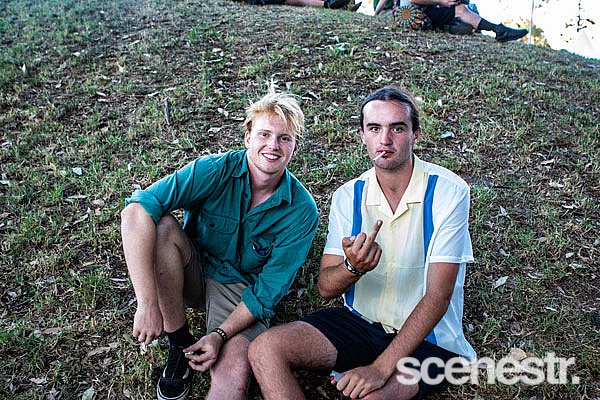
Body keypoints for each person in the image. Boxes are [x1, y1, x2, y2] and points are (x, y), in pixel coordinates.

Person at [249, 86, 476, 399]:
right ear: (362, 136)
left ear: (416, 135)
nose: (385, 140)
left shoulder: (449, 192)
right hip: (360, 323)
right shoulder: (348, 195)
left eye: (398, 128)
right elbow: (326, 288)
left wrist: (380, 369)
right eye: (375, 128)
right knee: (264, 348)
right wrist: (352, 267)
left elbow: (439, 295)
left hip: (432, 341)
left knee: (372, 397)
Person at [121, 90, 319, 400]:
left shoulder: (301, 211)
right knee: (161, 227)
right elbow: (136, 211)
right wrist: (147, 303)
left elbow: (266, 292)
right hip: (194, 271)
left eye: (284, 138)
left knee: (234, 375)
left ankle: (216, 347)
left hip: (242, 292)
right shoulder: (214, 170)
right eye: (264, 134)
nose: (273, 145)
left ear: (294, 147)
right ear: (247, 137)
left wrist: (219, 334)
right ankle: (179, 342)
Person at [377, 0, 528, 42]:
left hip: (430, 10)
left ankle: (499, 30)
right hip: (411, 12)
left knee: (461, 8)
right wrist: (440, 2)